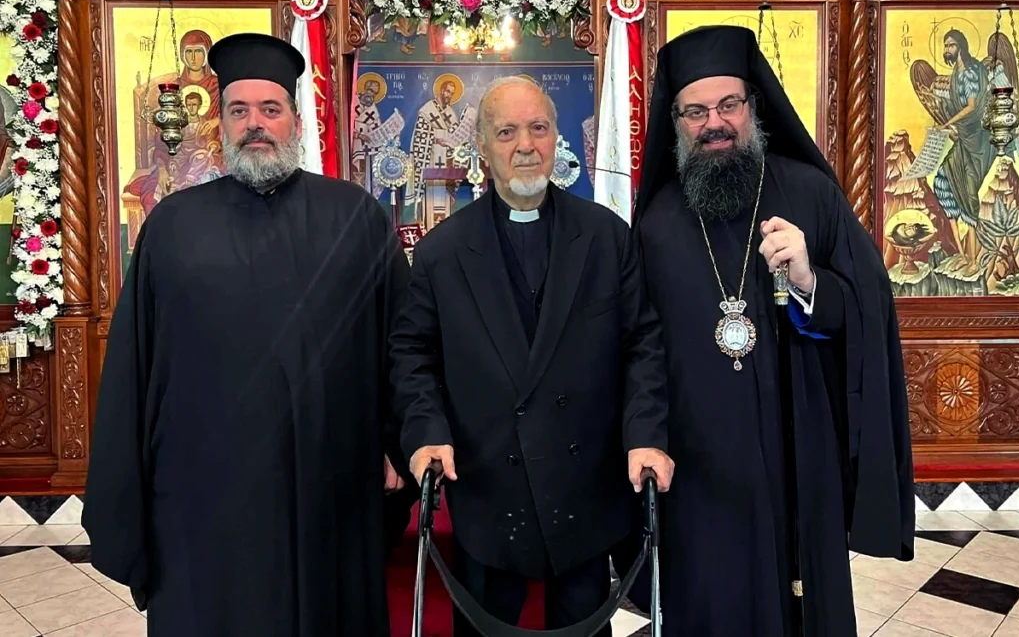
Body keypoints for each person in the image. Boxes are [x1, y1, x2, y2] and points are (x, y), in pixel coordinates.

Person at [82, 32, 413, 637]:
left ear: (293, 119)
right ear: (221, 124)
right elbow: (136, 362)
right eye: (239, 110)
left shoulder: (355, 217)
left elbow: (401, 341)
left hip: (326, 482)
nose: (254, 124)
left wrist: (397, 440)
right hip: (202, 490)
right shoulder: (174, 227)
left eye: (270, 109)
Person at [630, 24, 915, 637]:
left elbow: (866, 310)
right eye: (696, 111)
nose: (715, 123)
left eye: (729, 104)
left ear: (752, 106)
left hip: (795, 453)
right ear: (676, 121)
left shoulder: (809, 193)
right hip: (697, 470)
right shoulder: (655, 225)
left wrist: (811, 280)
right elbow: (638, 348)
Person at [389, 75, 674, 636]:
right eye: (507, 131)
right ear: (482, 145)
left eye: (538, 128)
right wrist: (425, 431)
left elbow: (642, 343)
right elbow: (412, 353)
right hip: (489, 490)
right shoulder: (443, 251)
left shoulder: (605, 236)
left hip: (583, 489)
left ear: (556, 136)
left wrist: (646, 435)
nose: (525, 145)